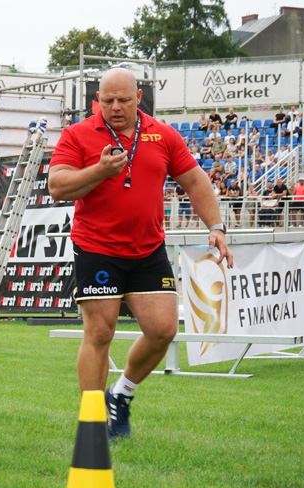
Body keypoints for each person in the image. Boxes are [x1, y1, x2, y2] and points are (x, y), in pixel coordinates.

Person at [47, 67, 232, 441]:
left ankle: (122, 393)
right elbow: (57, 186)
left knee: (163, 329)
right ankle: (92, 421)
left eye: (123, 100)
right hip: (97, 247)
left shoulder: (162, 134)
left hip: (147, 248)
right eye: (107, 100)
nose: (115, 108)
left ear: (139, 99)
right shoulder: (78, 134)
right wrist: (98, 170)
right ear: (97, 99)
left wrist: (215, 226)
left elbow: (195, 180)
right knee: (100, 332)